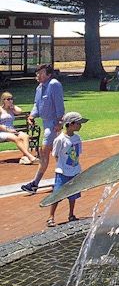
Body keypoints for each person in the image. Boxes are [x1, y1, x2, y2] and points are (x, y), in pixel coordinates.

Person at [21, 64, 65, 194]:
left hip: (53, 124)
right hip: (46, 124)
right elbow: (37, 104)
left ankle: (35, 183)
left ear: (49, 75)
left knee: (45, 152)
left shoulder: (54, 85)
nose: (38, 76)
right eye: (37, 73)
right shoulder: (40, 88)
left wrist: (59, 122)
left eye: (41, 73)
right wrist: (32, 115)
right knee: (55, 153)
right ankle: (62, 179)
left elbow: (59, 105)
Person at [46, 112, 88, 227]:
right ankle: (51, 216)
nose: (80, 126)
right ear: (70, 124)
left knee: (73, 194)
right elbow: (55, 154)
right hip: (62, 172)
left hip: (74, 170)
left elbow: (78, 154)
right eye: (78, 123)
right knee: (57, 193)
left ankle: (71, 214)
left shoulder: (77, 138)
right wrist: (62, 166)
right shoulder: (60, 139)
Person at [0, 92, 39, 164]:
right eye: (8, 99)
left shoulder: (11, 109)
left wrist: (12, 105)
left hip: (12, 131)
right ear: (3, 100)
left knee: (26, 136)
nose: (10, 101)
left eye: (11, 99)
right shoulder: (0, 110)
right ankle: (29, 156)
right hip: (2, 132)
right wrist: (7, 130)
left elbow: (19, 111)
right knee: (17, 139)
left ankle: (24, 157)